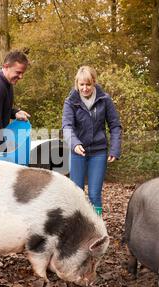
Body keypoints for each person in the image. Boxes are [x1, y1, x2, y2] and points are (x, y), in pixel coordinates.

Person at [62, 65, 122, 217]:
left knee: (94, 194)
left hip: (98, 152)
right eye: (81, 84)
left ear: (94, 82)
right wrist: (75, 144)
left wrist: (115, 148)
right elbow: (67, 126)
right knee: (77, 193)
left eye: (88, 84)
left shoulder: (104, 100)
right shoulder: (71, 102)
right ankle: (79, 228)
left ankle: (98, 228)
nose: (85, 88)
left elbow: (115, 125)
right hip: (78, 153)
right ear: (77, 84)